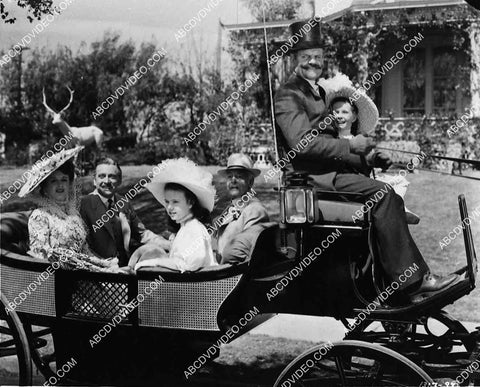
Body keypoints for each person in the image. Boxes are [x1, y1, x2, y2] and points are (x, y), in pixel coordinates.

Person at [274, 19, 458, 302]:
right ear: (295, 59)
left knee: (391, 197)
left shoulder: (320, 93)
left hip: (330, 174)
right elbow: (303, 143)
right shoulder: (289, 94)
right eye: (306, 57)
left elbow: (333, 142)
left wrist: (369, 157)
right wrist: (351, 145)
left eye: (318, 57)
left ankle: (391, 279)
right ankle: (411, 281)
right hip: (309, 182)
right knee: (384, 196)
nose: (313, 62)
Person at [19, 146, 121, 272]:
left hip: (84, 275)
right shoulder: (40, 216)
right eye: (53, 181)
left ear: (69, 183)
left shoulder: (73, 214)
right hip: (59, 281)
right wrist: (97, 270)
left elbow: (85, 250)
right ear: (44, 187)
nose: (60, 185)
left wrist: (104, 266)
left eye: (64, 179)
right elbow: (42, 256)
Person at [129, 158, 218, 272]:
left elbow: (190, 264)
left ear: (190, 202)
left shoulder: (195, 229)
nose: (169, 207)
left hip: (197, 286)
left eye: (175, 202)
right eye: (167, 202)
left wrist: (153, 263)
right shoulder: (185, 227)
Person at [80, 157, 169, 267]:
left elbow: (142, 234)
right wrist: (105, 265)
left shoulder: (124, 202)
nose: (106, 181)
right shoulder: (84, 205)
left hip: (125, 267)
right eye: (102, 176)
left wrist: (169, 245)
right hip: (97, 270)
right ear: (94, 180)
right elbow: (83, 247)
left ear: (119, 180)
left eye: (112, 176)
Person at [214, 153, 270, 264]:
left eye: (239, 176)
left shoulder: (255, 211)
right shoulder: (226, 209)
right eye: (230, 176)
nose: (233, 180)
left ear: (250, 182)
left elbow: (249, 254)